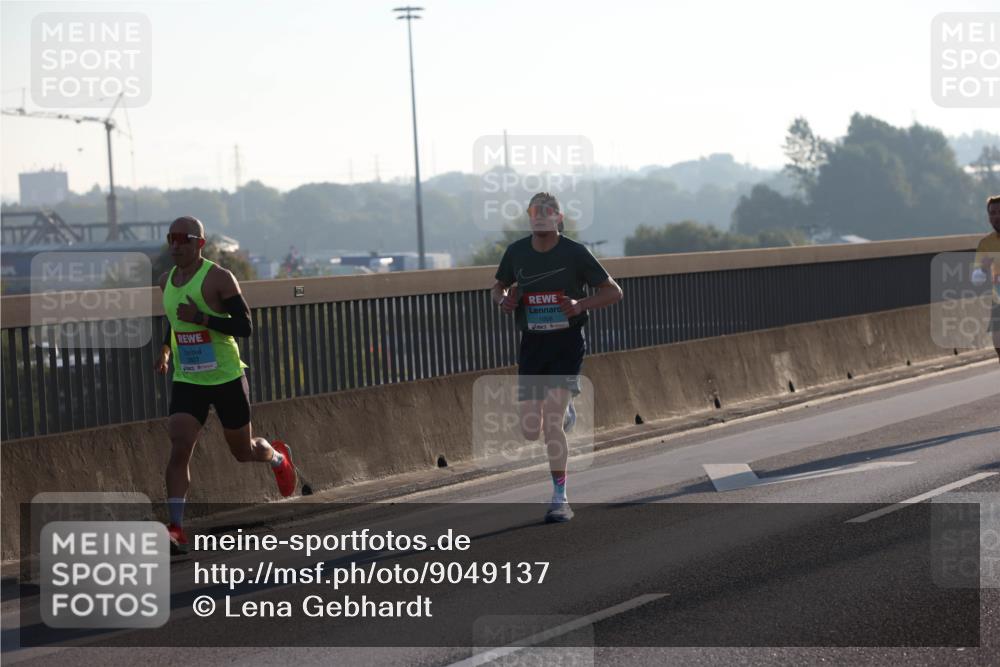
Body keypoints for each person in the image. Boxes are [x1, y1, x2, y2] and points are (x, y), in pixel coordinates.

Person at [154, 216, 296, 554]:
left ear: (200, 243)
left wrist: (202, 318)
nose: (176, 245)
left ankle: (278, 458)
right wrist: (165, 350)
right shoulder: (165, 281)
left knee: (243, 452)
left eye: (183, 238)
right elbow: (175, 320)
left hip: (226, 378)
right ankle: (176, 528)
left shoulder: (219, 278)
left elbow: (244, 326)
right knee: (179, 445)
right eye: (171, 238)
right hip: (188, 378)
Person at [492, 193, 623, 523]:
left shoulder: (574, 252)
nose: (540, 216)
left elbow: (613, 292)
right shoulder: (516, 252)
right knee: (530, 429)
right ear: (529, 216)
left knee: (550, 420)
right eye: (535, 211)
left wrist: (580, 305)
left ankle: (560, 497)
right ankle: (565, 413)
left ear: (559, 217)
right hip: (533, 346)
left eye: (547, 211)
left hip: (567, 343)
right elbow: (498, 287)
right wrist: (503, 300)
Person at [972, 195, 1000, 364]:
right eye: (992, 213)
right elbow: (976, 279)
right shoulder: (986, 243)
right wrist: (983, 268)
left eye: (999, 212)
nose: (996, 216)